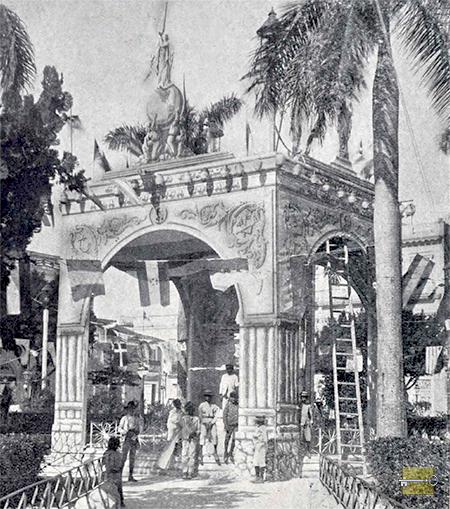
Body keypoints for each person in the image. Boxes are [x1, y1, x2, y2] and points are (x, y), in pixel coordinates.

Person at [118, 401, 142, 482]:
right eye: (130, 409)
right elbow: (119, 429)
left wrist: (135, 435)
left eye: (133, 409)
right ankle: (119, 476)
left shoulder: (137, 419)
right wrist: (125, 432)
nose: (132, 411)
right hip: (126, 438)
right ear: (127, 410)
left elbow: (139, 429)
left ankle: (130, 476)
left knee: (132, 458)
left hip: (134, 439)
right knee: (123, 457)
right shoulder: (124, 418)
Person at [198, 390, 221, 466]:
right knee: (202, 436)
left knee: (214, 436)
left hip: (211, 421)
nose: (208, 398)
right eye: (206, 396)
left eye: (209, 396)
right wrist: (204, 422)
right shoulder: (202, 405)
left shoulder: (214, 406)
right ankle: (200, 455)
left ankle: (215, 453)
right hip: (204, 421)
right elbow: (200, 415)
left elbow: (216, 415)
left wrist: (212, 422)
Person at [102, 436, 125, 508]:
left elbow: (103, 463)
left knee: (108, 489)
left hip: (109, 473)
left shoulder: (106, 453)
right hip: (117, 473)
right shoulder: (119, 454)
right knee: (119, 488)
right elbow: (121, 464)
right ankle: (121, 502)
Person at [180, 401, 200, 479]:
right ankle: (184, 471)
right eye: (188, 410)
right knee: (184, 454)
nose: (190, 411)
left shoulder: (196, 419)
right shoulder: (183, 418)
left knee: (192, 454)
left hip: (193, 438)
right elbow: (181, 428)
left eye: (191, 410)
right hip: (185, 438)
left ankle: (190, 472)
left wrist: (195, 433)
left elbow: (198, 429)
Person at [223, 391, 238, 464]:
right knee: (227, 439)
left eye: (235, 398)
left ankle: (231, 452)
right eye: (232, 398)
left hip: (236, 425)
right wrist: (226, 425)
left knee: (234, 440)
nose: (233, 400)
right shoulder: (228, 405)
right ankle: (225, 452)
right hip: (229, 425)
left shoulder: (238, 405)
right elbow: (224, 415)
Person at [253, 416, 268, 483]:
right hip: (257, 446)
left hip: (261, 446)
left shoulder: (263, 428)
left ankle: (261, 478)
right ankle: (257, 477)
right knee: (256, 461)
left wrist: (261, 445)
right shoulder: (258, 428)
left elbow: (265, 439)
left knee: (261, 461)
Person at [299, 391, 313, 458]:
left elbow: (310, 414)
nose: (303, 399)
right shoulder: (299, 405)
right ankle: (301, 452)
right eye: (302, 397)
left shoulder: (308, 406)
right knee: (301, 439)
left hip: (306, 423)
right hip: (300, 423)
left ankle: (308, 451)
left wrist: (311, 421)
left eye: (305, 397)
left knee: (308, 438)